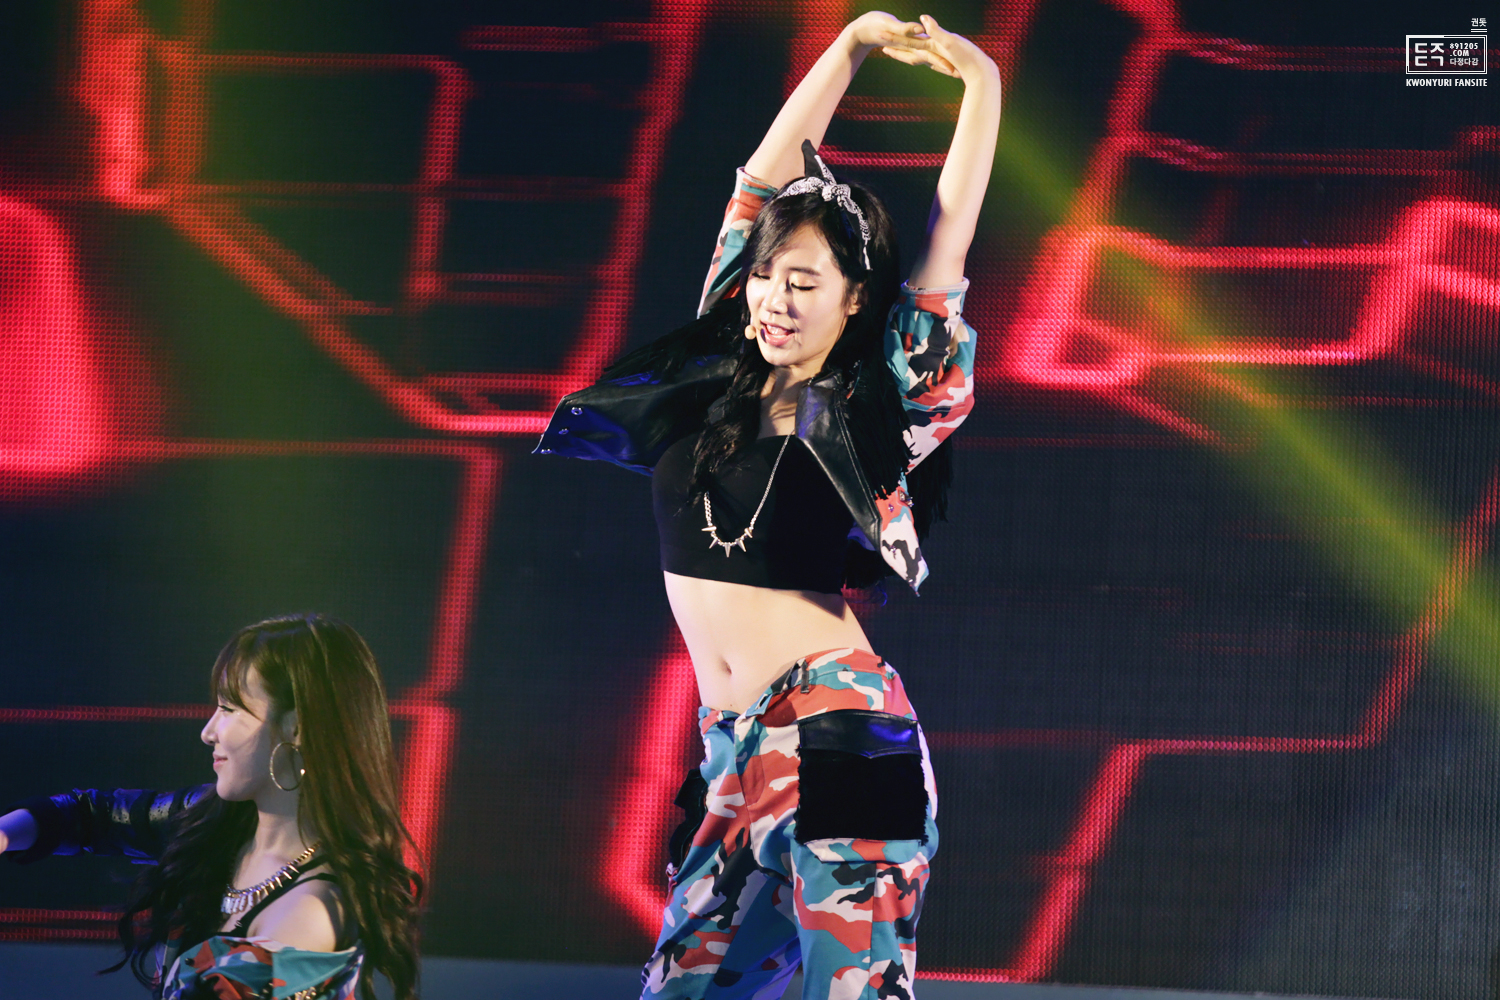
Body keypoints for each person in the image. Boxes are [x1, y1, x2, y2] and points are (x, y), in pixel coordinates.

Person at [535, 10, 999, 999]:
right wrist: (852, 45)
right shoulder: (719, 368)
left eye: (805, 283)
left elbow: (946, 242)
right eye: (765, 277)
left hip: (841, 732)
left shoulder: (882, 407)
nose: (775, 299)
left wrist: (981, 86)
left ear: (855, 300)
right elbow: (758, 183)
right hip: (732, 746)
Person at [0, 614, 422, 1000]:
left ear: (296, 727)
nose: (208, 731)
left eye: (229, 708)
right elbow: (88, 815)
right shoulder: (216, 821)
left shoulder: (310, 911)